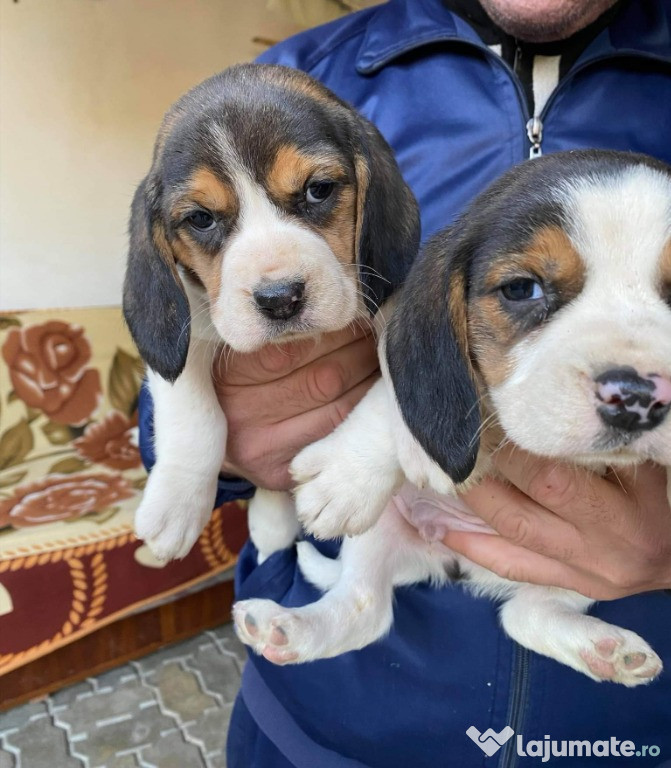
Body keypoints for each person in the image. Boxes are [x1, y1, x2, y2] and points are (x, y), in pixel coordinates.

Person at [139, 1, 671, 765]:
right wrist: (215, 453)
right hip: (325, 725)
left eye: (316, 193)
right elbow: (170, 337)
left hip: (630, 734)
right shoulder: (303, 77)